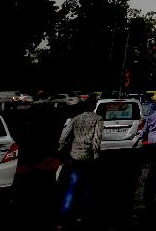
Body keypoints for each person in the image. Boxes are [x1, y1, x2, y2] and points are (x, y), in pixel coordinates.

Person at [57, 95, 102, 227]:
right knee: (87, 187)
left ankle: (62, 219)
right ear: (94, 106)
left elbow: (63, 136)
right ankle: (82, 216)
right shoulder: (98, 119)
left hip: (75, 156)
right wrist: (96, 156)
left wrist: (62, 147)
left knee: (72, 187)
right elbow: (96, 141)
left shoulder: (76, 119)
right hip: (88, 157)